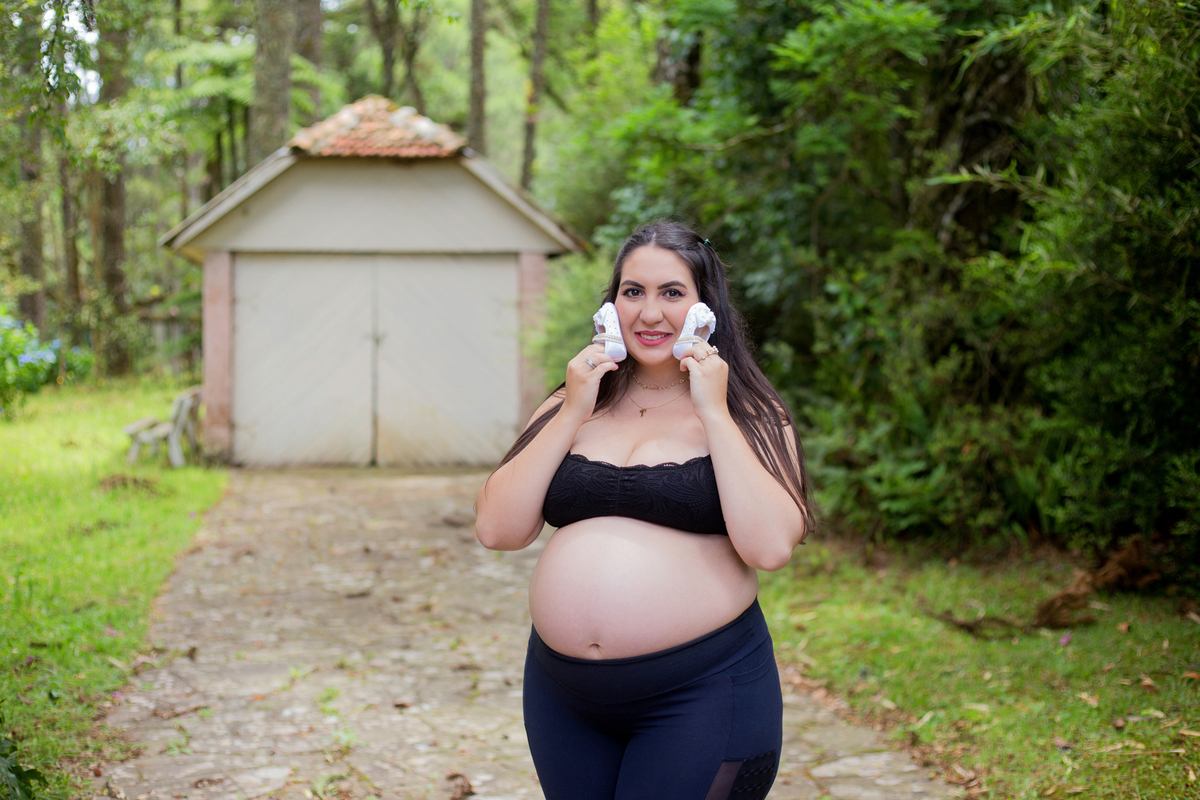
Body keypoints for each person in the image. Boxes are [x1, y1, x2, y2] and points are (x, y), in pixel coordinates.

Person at [474, 221, 813, 800]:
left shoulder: (752, 414)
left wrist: (713, 411)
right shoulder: (572, 401)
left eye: (671, 293)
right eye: (633, 292)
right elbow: (497, 529)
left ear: (707, 310)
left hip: (700, 693)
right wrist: (573, 408)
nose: (649, 313)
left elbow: (770, 547)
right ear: (611, 305)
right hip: (563, 696)